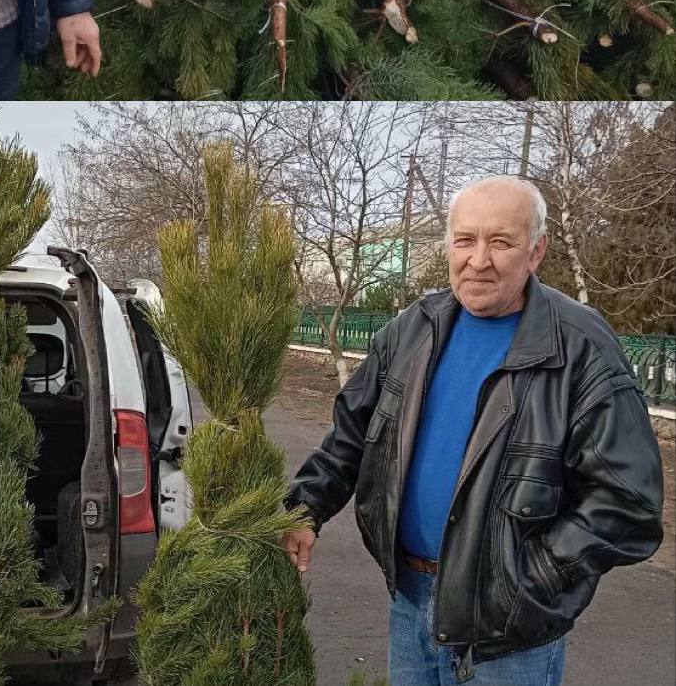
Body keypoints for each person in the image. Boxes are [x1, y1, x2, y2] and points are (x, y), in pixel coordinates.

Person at [282, 176, 664, 685]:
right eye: (465, 240)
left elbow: (628, 499)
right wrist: (306, 509)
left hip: (507, 633)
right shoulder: (413, 329)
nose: (478, 260)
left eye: (500, 242)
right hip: (411, 600)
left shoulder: (581, 346)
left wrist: (532, 580)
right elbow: (353, 435)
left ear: (537, 250)